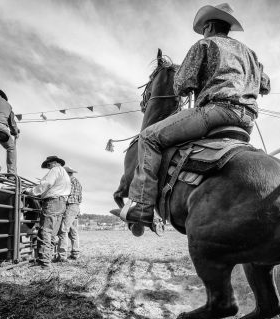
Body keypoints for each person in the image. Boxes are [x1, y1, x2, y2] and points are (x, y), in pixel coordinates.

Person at [112, 3, 270, 228]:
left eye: (203, 28)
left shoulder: (205, 44)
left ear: (208, 26)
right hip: (246, 121)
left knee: (148, 137)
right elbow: (265, 86)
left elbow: (181, 84)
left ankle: (143, 207)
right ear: (227, 27)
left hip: (216, 112)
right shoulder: (251, 54)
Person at [25, 156, 71, 268]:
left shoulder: (55, 170)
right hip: (62, 202)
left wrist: (31, 191)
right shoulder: (64, 173)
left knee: (45, 231)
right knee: (52, 232)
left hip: (52, 201)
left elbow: (47, 183)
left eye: (48, 165)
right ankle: (47, 258)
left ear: (53, 163)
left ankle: (44, 262)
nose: (48, 168)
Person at [55, 166, 82, 262]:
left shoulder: (69, 182)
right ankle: (75, 253)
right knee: (73, 231)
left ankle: (62, 256)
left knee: (63, 230)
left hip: (70, 206)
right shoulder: (77, 182)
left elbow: (65, 195)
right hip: (76, 207)